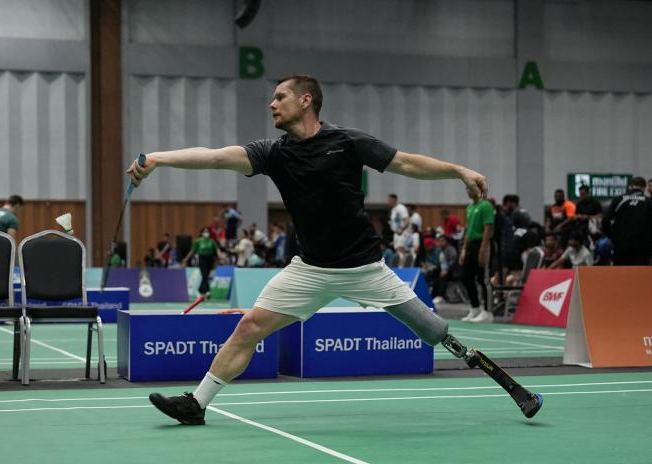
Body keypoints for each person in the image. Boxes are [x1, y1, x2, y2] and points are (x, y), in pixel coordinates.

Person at [128, 74, 488, 425]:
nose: (272, 104)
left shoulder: (348, 142)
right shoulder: (273, 153)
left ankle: (464, 352)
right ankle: (197, 404)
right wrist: (158, 158)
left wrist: (458, 171)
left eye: (280, 96)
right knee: (249, 326)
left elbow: (407, 163)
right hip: (310, 270)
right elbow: (216, 157)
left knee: (432, 329)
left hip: (366, 268)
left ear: (306, 100)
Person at [602, 176, 652, 265]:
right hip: (643, 247)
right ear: (644, 188)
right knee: (640, 276)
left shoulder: (618, 200)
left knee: (621, 275)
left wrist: (612, 236)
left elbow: (605, 221)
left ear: (630, 186)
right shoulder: (650, 202)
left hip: (621, 246)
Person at [460, 188, 495, 323]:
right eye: (467, 188)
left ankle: (487, 312)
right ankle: (475, 307)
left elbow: (488, 228)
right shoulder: (469, 207)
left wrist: (483, 250)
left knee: (483, 279)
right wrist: (464, 249)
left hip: (482, 244)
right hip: (470, 245)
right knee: (466, 277)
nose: (468, 191)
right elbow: (468, 229)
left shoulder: (486, 205)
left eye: (471, 188)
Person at [182, 227, 221, 298]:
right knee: (204, 275)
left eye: (207, 232)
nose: (206, 233)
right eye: (205, 232)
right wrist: (186, 259)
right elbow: (192, 251)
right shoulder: (198, 241)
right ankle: (208, 291)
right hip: (202, 259)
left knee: (206, 276)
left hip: (210, 259)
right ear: (202, 233)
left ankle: (200, 290)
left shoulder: (212, 241)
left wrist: (220, 256)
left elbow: (217, 250)